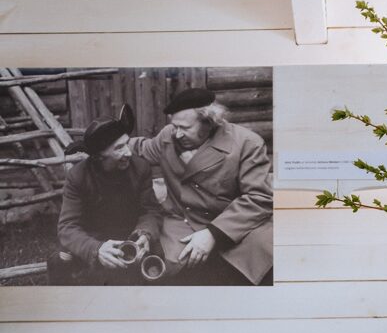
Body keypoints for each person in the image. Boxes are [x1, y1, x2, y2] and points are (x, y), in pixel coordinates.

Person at [129, 88, 273, 285]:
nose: (177, 134)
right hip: (183, 222)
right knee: (160, 271)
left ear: (209, 121)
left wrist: (213, 234)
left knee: (257, 263)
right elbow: (140, 148)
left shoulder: (247, 143)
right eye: (174, 126)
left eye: (184, 128)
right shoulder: (168, 136)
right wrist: (106, 142)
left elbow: (259, 198)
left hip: (234, 225)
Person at [54, 106, 162, 285]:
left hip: (131, 235)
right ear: (99, 157)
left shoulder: (141, 168)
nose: (128, 152)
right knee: (59, 260)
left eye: (127, 143)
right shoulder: (78, 176)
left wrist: (145, 233)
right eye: (119, 148)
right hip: (92, 237)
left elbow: (150, 211)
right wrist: (96, 249)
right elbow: (67, 227)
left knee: (157, 259)